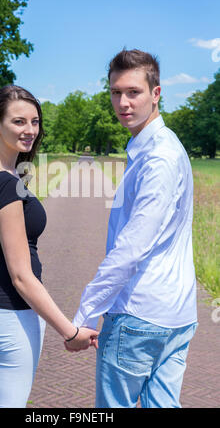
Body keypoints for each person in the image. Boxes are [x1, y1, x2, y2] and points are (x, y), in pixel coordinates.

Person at [65, 49, 198, 408]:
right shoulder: (156, 146)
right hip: (177, 314)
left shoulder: (158, 158)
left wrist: (84, 315)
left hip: (139, 314)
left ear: (156, 93)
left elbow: (132, 247)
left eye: (133, 92)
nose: (122, 102)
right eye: (115, 92)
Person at [0, 85, 99, 408]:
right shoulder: (5, 184)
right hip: (7, 313)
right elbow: (20, 276)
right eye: (19, 122)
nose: (30, 130)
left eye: (35, 122)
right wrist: (69, 331)